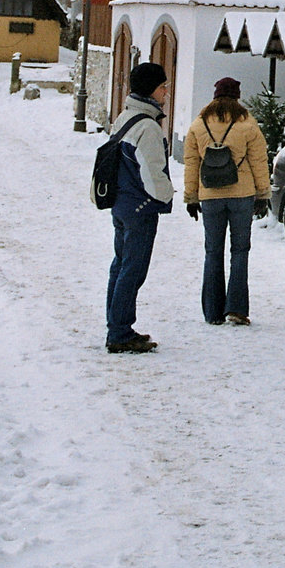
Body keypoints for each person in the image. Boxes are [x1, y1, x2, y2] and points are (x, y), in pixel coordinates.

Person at [183, 77, 271, 326]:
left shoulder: (199, 125)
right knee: (240, 251)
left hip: (210, 195)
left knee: (212, 251)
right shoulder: (248, 124)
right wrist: (262, 194)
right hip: (241, 194)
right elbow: (259, 161)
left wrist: (191, 197)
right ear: (237, 97)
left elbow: (191, 163)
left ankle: (212, 312)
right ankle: (236, 309)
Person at [105, 62, 174, 354]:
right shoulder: (147, 126)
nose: (166, 93)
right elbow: (152, 172)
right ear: (150, 90)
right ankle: (120, 333)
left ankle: (118, 326)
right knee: (132, 270)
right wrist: (167, 195)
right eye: (162, 87)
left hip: (122, 204)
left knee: (120, 266)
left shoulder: (125, 117)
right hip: (140, 208)